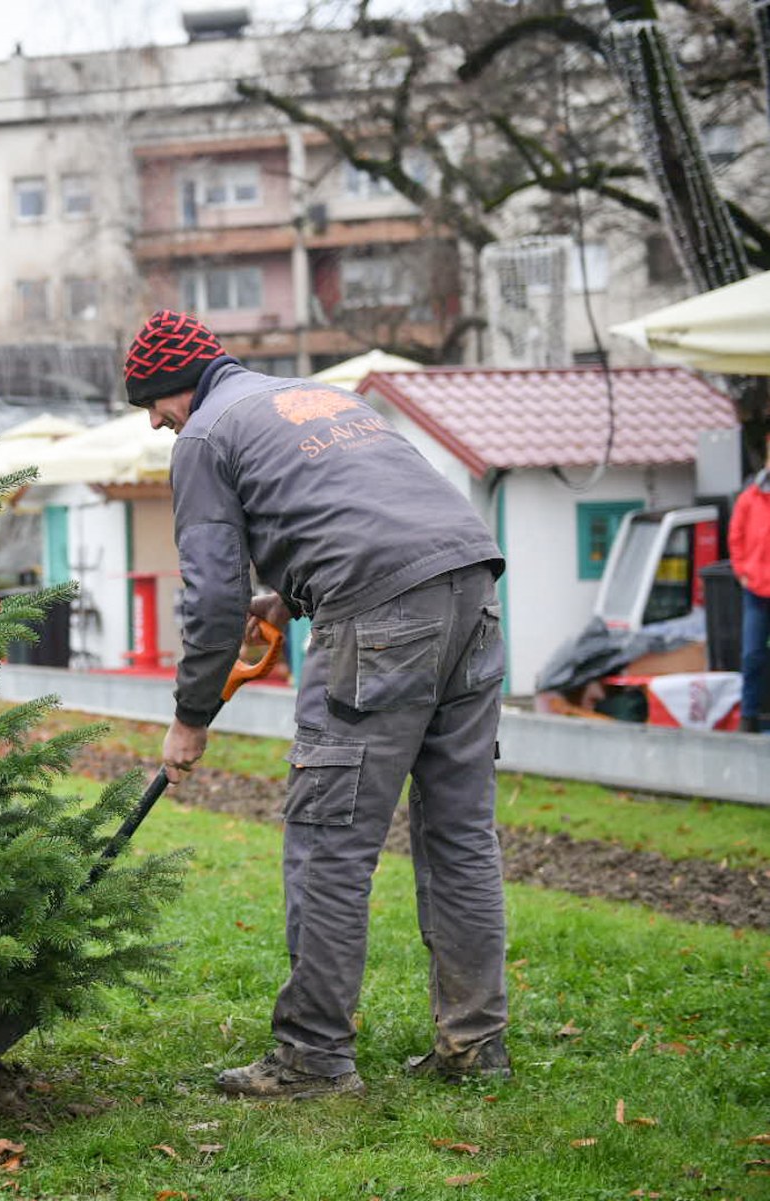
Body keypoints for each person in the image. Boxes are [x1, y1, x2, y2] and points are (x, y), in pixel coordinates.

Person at [126, 309, 510, 1099]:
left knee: (329, 836)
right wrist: (287, 595)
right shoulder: (313, 397)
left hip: (379, 612)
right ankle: (475, 1042)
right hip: (472, 581)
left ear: (174, 390)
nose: (157, 425)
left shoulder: (204, 436)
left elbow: (211, 597)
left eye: (151, 406)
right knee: (460, 831)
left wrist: (189, 718)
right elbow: (360, 517)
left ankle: (312, 1057)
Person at [729, 439, 770, 733]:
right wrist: (743, 571)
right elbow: (736, 537)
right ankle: (749, 714)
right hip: (756, 589)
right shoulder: (750, 498)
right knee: (752, 653)